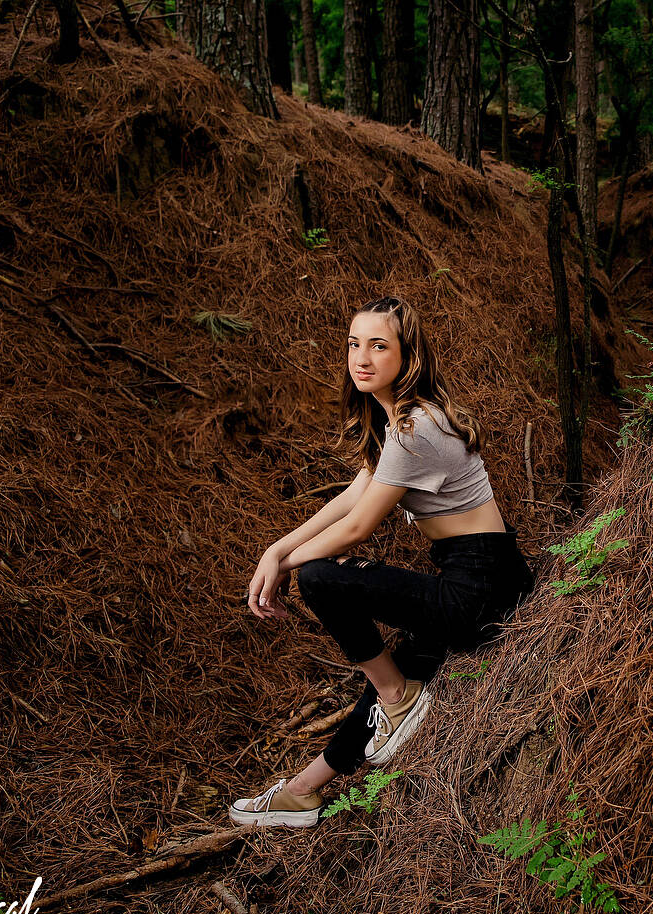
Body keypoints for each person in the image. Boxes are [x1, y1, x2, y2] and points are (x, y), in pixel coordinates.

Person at [227, 294, 536, 828]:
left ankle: (398, 700)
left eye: (378, 345)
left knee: (321, 579)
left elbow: (356, 528)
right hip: (489, 578)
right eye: (354, 344)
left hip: (476, 588)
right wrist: (275, 550)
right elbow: (349, 498)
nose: (361, 357)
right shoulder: (402, 423)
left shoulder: (417, 430)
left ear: (408, 354)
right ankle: (303, 792)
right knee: (388, 672)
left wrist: (287, 567)